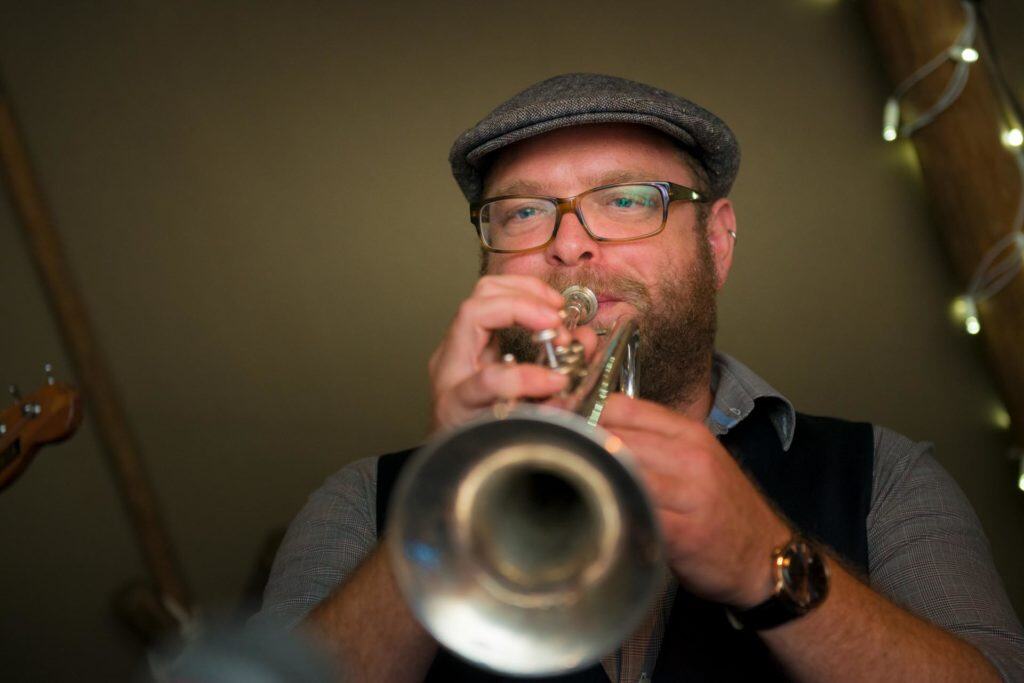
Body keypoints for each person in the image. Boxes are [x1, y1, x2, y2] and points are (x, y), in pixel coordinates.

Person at [255, 73, 1024, 681]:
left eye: (626, 200)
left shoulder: (885, 474)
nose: (569, 248)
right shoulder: (362, 499)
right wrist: (445, 508)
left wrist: (768, 560)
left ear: (716, 245)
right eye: (523, 213)